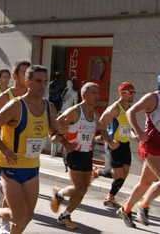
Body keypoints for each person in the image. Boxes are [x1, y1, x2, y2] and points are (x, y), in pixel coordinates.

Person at [0, 65, 67, 234]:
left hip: (32, 166)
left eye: (45, 81)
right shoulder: (16, 106)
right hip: (10, 165)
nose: (42, 85)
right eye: (38, 81)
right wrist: (4, 150)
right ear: (27, 82)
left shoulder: (49, 107)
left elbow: (53, 135)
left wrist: (61, 133)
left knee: (28, 215)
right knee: (17, 215)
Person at [50, 82, 101, 229]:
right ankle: (59, 193)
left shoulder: (96, 114)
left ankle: (65, 215)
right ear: (84, 95)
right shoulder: (75, 111)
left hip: (87, 154)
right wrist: (65, 143)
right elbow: (56, 126)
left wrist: (101, 136)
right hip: (73, 153)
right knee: (80, 188)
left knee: (83, 189)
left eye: (98, 93)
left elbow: (95, 133)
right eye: (94, 93)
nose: (97, 96)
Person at [117, 84, 160, 228]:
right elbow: (130, 112)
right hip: (150, 145)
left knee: (145, 183)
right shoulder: (153, 97)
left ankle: (126, 209)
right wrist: (138, 132)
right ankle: (144, 206)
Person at [91, 82, 135, 208]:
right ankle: (95, 172)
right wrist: (109, 141)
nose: (133, 95)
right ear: (122, 94)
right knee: (117, 173)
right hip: (113, 144)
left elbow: (127, 127)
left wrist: (134, 135)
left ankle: (110, 198)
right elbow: (100, 125)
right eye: (130, 92)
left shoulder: (130, 108)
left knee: (125, 173)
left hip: (125, 144)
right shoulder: (114, 108)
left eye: (134, 92)